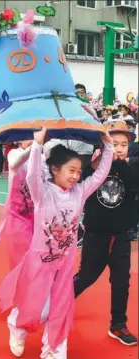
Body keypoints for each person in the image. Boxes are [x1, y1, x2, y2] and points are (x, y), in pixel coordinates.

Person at [0, 127, 114, 359]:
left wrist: (108, 146)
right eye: (71, 170)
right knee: (39, 310)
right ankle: (16, 325)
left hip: (64, 264)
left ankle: (54, 350)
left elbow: (99, 176)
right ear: (55, 169)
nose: (75, 176)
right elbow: (32, 176)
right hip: (39, 263)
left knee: (60, 308)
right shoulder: (43, 193)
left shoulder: (78, 193)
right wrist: (37, 145)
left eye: (79, 172)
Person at [74, 120, 138, 346]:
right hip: (95, 236)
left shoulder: (130, 169)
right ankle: (58, 304)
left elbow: (133, 184)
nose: (119, 148)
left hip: (120, 237)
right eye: (114, 143)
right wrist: (99, 162)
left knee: (121, 282)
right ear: (102, 144)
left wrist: (118, 163)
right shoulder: (93, 167)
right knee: (86, 277)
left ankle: (118, 325)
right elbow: (77, 183)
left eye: (123, 144)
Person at [0, 140, 34, 269]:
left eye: (33, 136)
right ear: (18, 141)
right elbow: (15, 164)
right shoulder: (14, 153)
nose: (31, 140)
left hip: (36, 212)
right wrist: (35, 146)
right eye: (28, 137)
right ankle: (19, 280)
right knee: (22, 250)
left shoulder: (41, 157)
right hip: (17, 211)